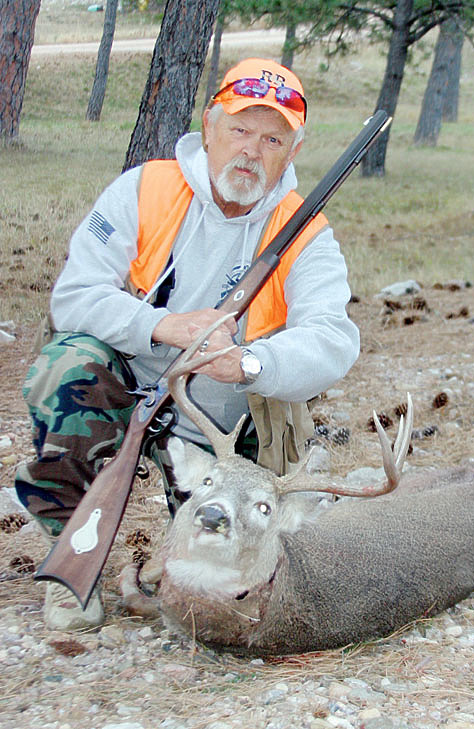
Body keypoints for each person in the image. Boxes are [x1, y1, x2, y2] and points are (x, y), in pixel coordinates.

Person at [15, 57, 360, 631]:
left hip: (224, 428)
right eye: (239, 130)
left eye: (273, 138)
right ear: (209, 127)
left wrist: (250, 361)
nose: (251, 151)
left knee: (235, 570)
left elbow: (334, 340)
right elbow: (74, 297)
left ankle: (167, 569)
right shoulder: (146, 188)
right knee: (66, 366)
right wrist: (163, 326)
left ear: (292, 153)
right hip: (130, 388)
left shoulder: (306, 232)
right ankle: (71, 566)